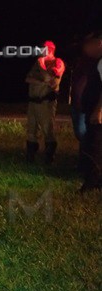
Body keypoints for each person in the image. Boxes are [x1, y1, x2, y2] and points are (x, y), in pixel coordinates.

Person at [25, 40, 65, 164]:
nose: (41, 51)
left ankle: (49, 157)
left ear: (50, 50)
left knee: (48, 129)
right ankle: (30, 155)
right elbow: (28, 78)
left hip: (46, 102)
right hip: (33, 102)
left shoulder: (57, 62)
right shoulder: (37, 63)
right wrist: (42, 80)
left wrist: (41, 66)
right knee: (31, 130)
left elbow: (52, 81)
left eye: (43, 49)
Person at [78, 33, 102, 192]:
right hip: (92, 110)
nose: (86, 48)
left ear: (99, 43)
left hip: (98, 114)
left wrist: (99, 110)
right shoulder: (96, 62)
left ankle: (91, 184)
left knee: (95, 147)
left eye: (89, 44)